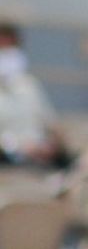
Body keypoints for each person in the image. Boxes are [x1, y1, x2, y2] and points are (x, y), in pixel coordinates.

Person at [0, 23, 66, 167]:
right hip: (8, 158)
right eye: (1, 49)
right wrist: (17, 147)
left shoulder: (29, 85)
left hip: (40, 157)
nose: (5, 54)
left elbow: (51, 123)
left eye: (10, 48)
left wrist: (53, 144)